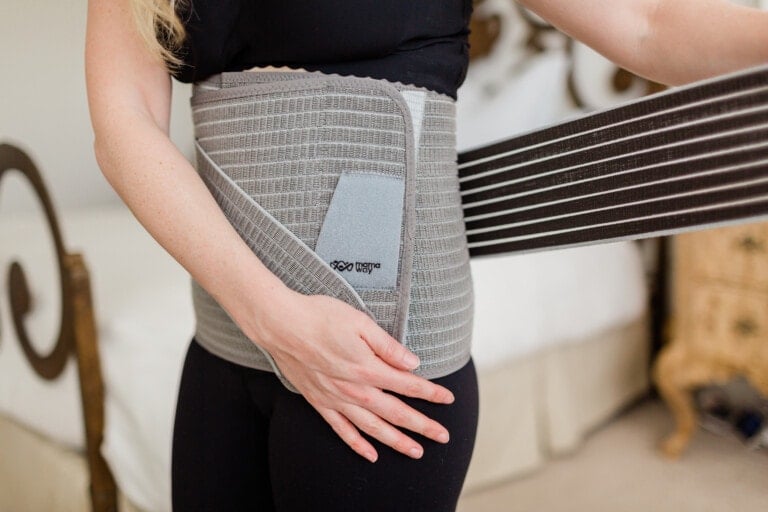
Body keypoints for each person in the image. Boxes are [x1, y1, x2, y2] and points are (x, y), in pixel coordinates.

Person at [84, 1, 768, 510]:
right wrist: (271, 319)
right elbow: (124, 126)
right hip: (229, 338)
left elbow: (646, 23)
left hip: (378, 365)